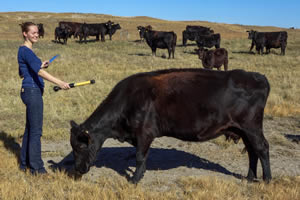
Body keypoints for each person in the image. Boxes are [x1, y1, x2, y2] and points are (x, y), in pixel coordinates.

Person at [18, 22, 70, 174]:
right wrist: (60, 82)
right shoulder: (27, 51)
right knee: (36, 131)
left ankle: (24, 164)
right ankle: (37, 168)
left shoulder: (23, 51)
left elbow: (22, 72)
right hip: (32, 92)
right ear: (25, 34)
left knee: (30, 129)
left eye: (37, 32)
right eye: (32, 32)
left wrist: (39, 65)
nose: (36, 34)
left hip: (28, 90)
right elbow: (38, 73)